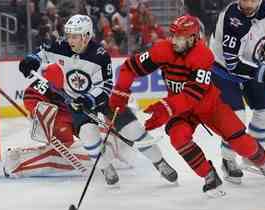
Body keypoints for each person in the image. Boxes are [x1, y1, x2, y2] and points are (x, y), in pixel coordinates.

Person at [109, 14, 265, 195]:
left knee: (240, 142)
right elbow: (130, 67)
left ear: (193, 38)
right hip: (181, 108)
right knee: (178, 138)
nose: (174, 41)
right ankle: (209, 175)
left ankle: (262, 160)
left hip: (209, 106)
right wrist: (120, 92)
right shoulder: (162, 50)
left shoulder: (204, 56)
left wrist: (166, 108)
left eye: (180, 37)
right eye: (172, 35)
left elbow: (193, 95)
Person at [11, 14, 178, 184]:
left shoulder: (100, 55)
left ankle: (160, 162)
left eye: (74, 36)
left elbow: (105, 87)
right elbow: (42, 52)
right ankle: (105, 167)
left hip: (104, 100)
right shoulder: (61, 46)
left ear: (86, 36)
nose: (70, 40)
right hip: (77, 102)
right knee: (88, 135)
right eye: (69, 35)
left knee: (133, 131)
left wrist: (88, 100)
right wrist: (31, 60)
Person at [209, 0, 265, 184]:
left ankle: (253, 154)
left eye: (252, 0)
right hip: (222, 70)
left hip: (251, 63)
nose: (247, 4)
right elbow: (233, 65)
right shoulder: (233, 19)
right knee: (236, 117)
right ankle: (228, 159)